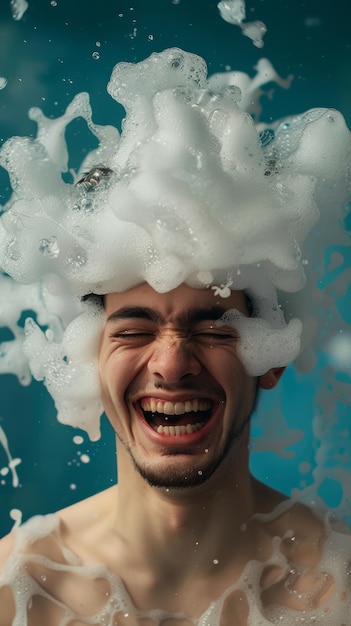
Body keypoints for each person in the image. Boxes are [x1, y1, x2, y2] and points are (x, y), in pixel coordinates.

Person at [0, 48, 351, 624]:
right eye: (134, 329)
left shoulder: (338, 589)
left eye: (213, 327)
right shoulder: (17, 592)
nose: (170, 364)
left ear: (273, 353)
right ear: (90, 352)